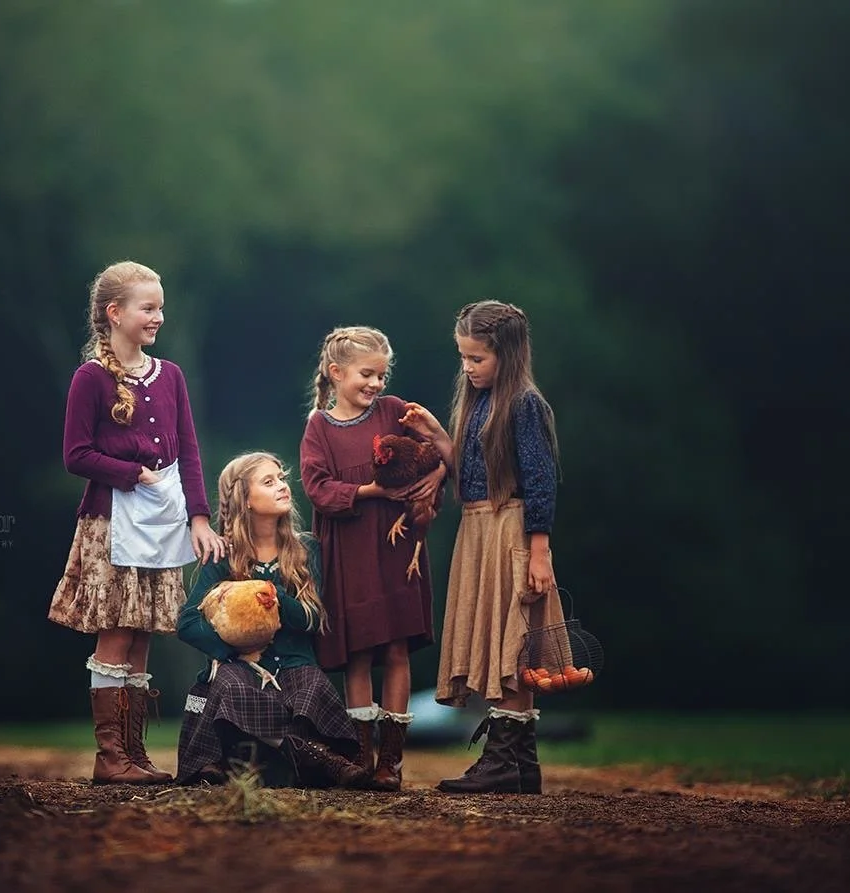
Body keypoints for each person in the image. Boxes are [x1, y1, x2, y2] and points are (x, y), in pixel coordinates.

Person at [49, 260, 227, 786]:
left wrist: (199, 517)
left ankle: (135, 753)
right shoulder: (91, 378)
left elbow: (190, 452)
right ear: (115, 313)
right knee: (117, 630)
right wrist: (132, 474)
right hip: (112, 522)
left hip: (165, 520)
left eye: (161, 308)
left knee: (146, 632)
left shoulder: (169, 375)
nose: (158, 317)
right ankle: (110, 758)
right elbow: (75, 455)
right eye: (149, 308)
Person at [399, 300, 566, 794]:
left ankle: (502, 763)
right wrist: (436, 434)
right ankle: (521, 764)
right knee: (499, 640)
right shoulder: (481, 404)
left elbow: (539, 482)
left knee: (511, 642)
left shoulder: (524, 404)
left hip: (511, 530)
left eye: (477, 359)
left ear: (507, 356)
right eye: (463, 358)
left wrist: (538, 553)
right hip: (480, 527)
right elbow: (473, 474)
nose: (468, 368)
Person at [298, 326, 444, 791]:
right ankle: (361, 755)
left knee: (397, 651)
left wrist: (437, 475)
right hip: (349, 553)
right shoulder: (318, 427)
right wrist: (370, 490)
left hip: (397, 550)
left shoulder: (395, 411)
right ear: (336, 373)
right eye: (367, 374)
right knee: (358, 655)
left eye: (382, 375)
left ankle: (391, 761)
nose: (376, 384)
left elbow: (435, 453)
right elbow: (317, 489)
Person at [176, 452, 368, 789]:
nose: (282, 486)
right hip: (238, 667)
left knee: (312, 685)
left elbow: (312, 618)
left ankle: (271, 756)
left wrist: (274, 594)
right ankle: (312, 754)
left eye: (281, 478)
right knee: (221, 688)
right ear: (245, 500)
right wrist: (233, 650)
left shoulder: (306, 549)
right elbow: (187, 623)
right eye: (269, 482)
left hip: (294, 665)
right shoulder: (224, 554)